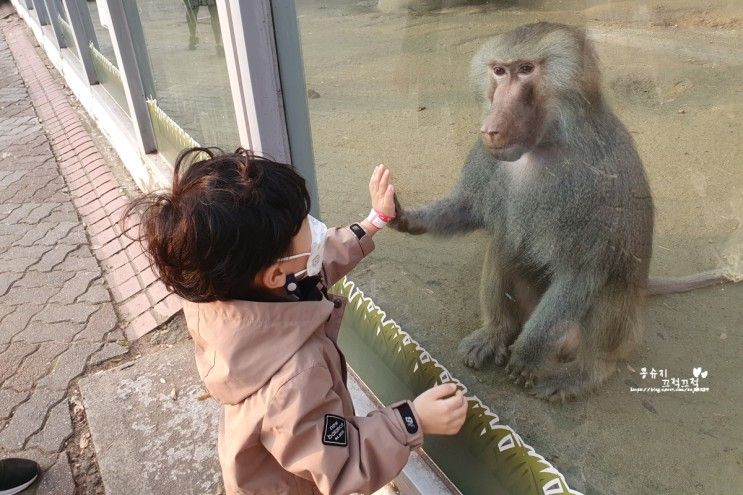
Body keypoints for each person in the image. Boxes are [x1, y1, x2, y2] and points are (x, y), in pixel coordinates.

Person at [127, 147, 468, 494]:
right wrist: (411, 421)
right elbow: (343, 465)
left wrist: (373, 223)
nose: (315, 228)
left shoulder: (226, 297)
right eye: (303, 226)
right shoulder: (295, 379)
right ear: (276, 275)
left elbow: (316, 262)